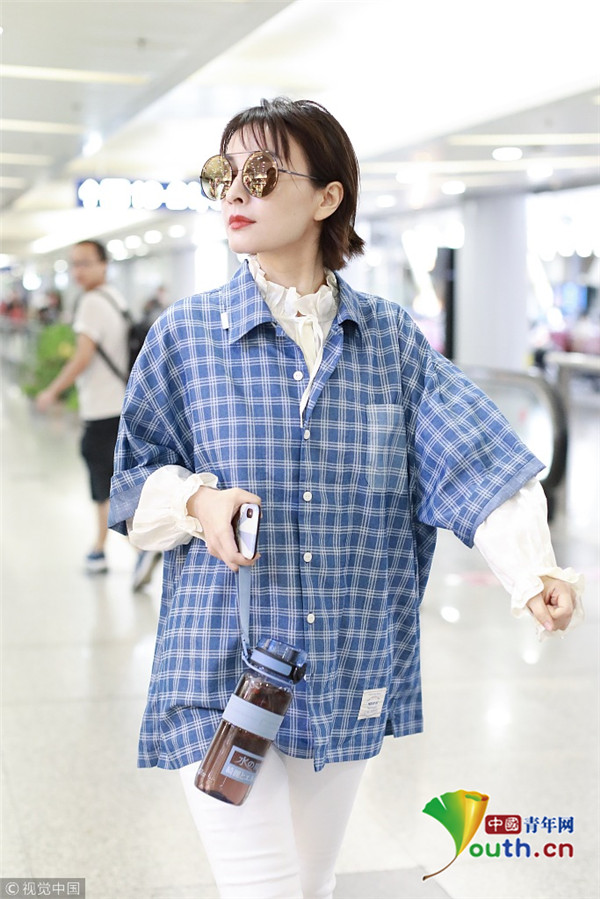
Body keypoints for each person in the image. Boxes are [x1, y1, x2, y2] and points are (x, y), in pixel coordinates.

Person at [108, 98, 583, 899]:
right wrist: (196, 503)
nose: (236, 190)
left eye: (263, 173)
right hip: (221, 664)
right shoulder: (185, 336)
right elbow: (132, 482)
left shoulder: (389, 341)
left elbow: (473, 457)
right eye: (225, 173)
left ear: (328, 196)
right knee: (264, 888)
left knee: (312, 881)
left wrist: (532, 569)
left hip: (346, 660)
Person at [36, 239, 130, 575]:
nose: (79, 270)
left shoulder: (91, 302)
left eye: (86, 262)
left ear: (104, 264)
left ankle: (105, 548)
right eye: (74, 264)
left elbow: (82, 356)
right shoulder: (116, 299)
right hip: (121, 404)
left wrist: (51, 391)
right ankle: (134, 546)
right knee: (117, 478)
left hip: (101, 409)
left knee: (101, 483)